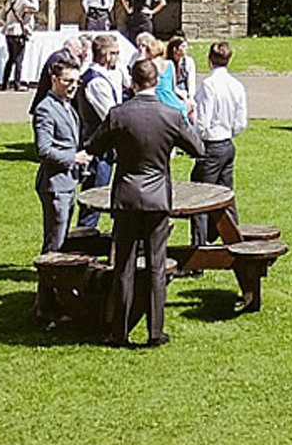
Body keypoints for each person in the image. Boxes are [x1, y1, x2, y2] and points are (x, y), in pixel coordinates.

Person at [82, 53, 205, 346]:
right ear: (156, 81)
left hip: (126, 196)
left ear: (133, 83)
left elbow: (93, 145)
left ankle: (119, 331)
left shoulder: (119, 114)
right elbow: (198, 147)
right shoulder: (170, 115)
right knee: (155, 265)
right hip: (157, 199)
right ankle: (155, 331)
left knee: (123, 265)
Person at [30, 58, 91, 278]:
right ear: (54, 80)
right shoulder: (46, 109)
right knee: (54, 242)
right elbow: (43, 149)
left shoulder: (67, 104)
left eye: (77, 81)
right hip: (55, 184)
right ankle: (47, 295)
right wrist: (73, 158)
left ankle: (55, 287)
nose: (73, 85)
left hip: (68, 182)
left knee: (62, 237)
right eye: (68, 81)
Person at [188, 41, 247, 247]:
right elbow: (241, 122)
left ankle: (199, 247)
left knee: (200, 197)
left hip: (211, 144)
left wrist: (194, 139)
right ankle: (233, 241)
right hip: (227, 143)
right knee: (226, 194)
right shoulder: (236, 85)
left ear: (209, 59)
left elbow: (202, 121)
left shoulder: (209, 85)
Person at [72, 35, 122, 230]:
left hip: (104, 147)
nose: (117, 57)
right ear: (106, 54)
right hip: (98, 148)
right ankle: (83, 241)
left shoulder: (107, 75)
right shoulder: (95, 82)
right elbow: (111, 116)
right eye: (115, 53)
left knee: (101, 195)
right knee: (94, 197)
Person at [2, 0, 41, 91]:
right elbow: (36, 8)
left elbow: (2, 16)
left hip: (8, 31)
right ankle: (17, 84)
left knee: (10, 58)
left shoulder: (10, 0)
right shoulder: (22, 0)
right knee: (19, 59)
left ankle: (5, 83)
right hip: (18, 32)